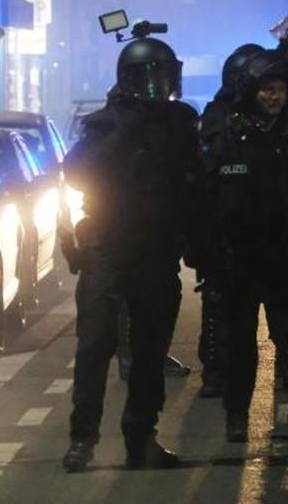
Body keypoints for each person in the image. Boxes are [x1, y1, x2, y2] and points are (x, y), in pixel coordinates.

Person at [59, 34, 207, 472]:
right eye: (150, 78)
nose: (157, 86)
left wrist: (199, 241)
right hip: (107, 246)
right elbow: (78, 171)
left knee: (149, 351)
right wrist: (126, 130)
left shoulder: (180, 122)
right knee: (94, 348)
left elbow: (194, 184)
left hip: (157, 249)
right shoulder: (105, 122)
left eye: (163, 77)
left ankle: (140, 437)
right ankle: (82, 438)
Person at [203, 49, 288, 442]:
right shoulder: (230, 136)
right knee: (240, 343)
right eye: (266, 90)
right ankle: (237, 415)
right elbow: (207, 193)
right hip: (241, 257)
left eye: (279, 90)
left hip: (286, 255)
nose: (273, 97)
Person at [195, 43, 265, 398]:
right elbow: (204, 177)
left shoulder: (269, 120)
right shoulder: (218, 119)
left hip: (266, 231)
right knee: (220, 307)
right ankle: (217, 372)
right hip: (225, 229)